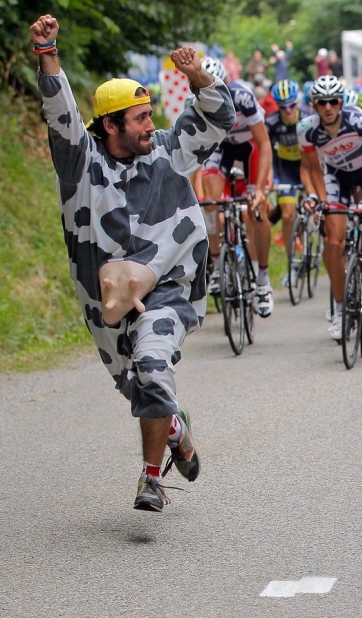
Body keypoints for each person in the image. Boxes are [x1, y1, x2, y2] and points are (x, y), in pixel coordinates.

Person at [31, 14, 236, 512]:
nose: (151, 125)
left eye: (150, 115)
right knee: (139, 385)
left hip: (170, 287)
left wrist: (197, 76)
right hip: (107, 301)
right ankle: (176, 430)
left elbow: (218, 117)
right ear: (110, 124)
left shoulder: (170, 151)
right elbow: (61, 116)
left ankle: (150, 480)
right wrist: (47, 52)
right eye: (140, 118)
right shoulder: (82, 166)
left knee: (151, 362)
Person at [298, 75, 362, 339]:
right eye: (322, 102)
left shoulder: (359, 122)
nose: (328, 107)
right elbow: (312, 169)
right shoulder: (307, 128)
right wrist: (321, 201)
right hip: (335, 176)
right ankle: (341, 308)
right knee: (333, 242)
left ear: (341, 102)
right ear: (315, 105)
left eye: (333, 101)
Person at [200, 57, 274, 318]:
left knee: (256, 210)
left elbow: (264, 144)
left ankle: (263, 280)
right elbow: (192, 156)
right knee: (209, 204)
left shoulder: (243, 97)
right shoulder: (194, 103)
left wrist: (260, 188)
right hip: (220, 148)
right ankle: (218, 265)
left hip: (249, 146)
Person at [266, 79, 309, 284]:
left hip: (308, 170)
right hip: (286, 172)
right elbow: (265, 152)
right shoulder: (272, 122)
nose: (288, 110)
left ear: (297, 103)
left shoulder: (308, 119)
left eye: (292, 105)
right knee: (288, 214)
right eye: (283, 107)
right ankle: (292, 263)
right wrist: (271, 178)